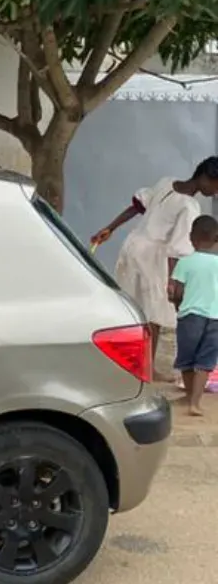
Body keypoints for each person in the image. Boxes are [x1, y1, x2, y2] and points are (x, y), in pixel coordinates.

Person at [90, 158, 218, 370]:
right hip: (153, 258)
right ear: (206, 178)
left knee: (133, 307)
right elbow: (176, 248)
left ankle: (132, 363)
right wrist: (173, 281)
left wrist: (110, 228)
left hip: (133, 248)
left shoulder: (167, 182)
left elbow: (137, 207)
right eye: (216, 186)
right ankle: (146, 369)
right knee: (153, 317)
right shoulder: (189, 206)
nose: (215, 193)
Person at [168, 214, 218, 415]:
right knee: (205, 362)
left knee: (187, 360)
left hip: (190, 317)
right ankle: (195, 403)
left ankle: (189, 396)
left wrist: (176, 305)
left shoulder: (185, 263)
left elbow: (177, 293)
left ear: (191, 237)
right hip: (216, 318)